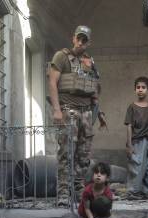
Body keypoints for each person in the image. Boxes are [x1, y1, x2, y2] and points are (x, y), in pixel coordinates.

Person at [48, 25, 101, 206]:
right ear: (73, 38)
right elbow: (53, 83)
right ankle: (63, 192)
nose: (80, 42)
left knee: (83, 154)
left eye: (84, 40)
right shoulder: (61, 57)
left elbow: (95, 88)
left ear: (88, 42)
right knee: (66, 153)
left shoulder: (89, 61)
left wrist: (97, 109)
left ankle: (78, 189)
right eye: (78, 38)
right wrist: (56, 109)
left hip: (86, 112)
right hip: (67, 109)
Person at [125, 76, 148, 200]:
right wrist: (129, 145)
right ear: (135, 90)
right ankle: (133, 192)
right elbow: (129, 126)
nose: (140, 90)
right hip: (138, 141)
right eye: (138, 87)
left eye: (143, 87)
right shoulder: (132, 107)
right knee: (137, 167)